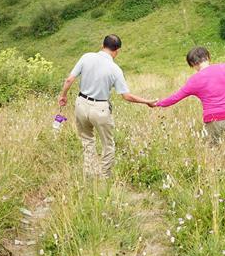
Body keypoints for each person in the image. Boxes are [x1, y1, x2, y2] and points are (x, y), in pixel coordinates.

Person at [57, 34, 156, 177]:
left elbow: (69, 80)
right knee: (108, 144)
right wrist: (147, 102)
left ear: (102, 45)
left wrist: (63, 95)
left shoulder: (86, 57)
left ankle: (90, 173)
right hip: (101, 109)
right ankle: (104, 176)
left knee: (87, 139)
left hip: (81, 104)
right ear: (117, 51)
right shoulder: (115, 69)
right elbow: (126, 96)